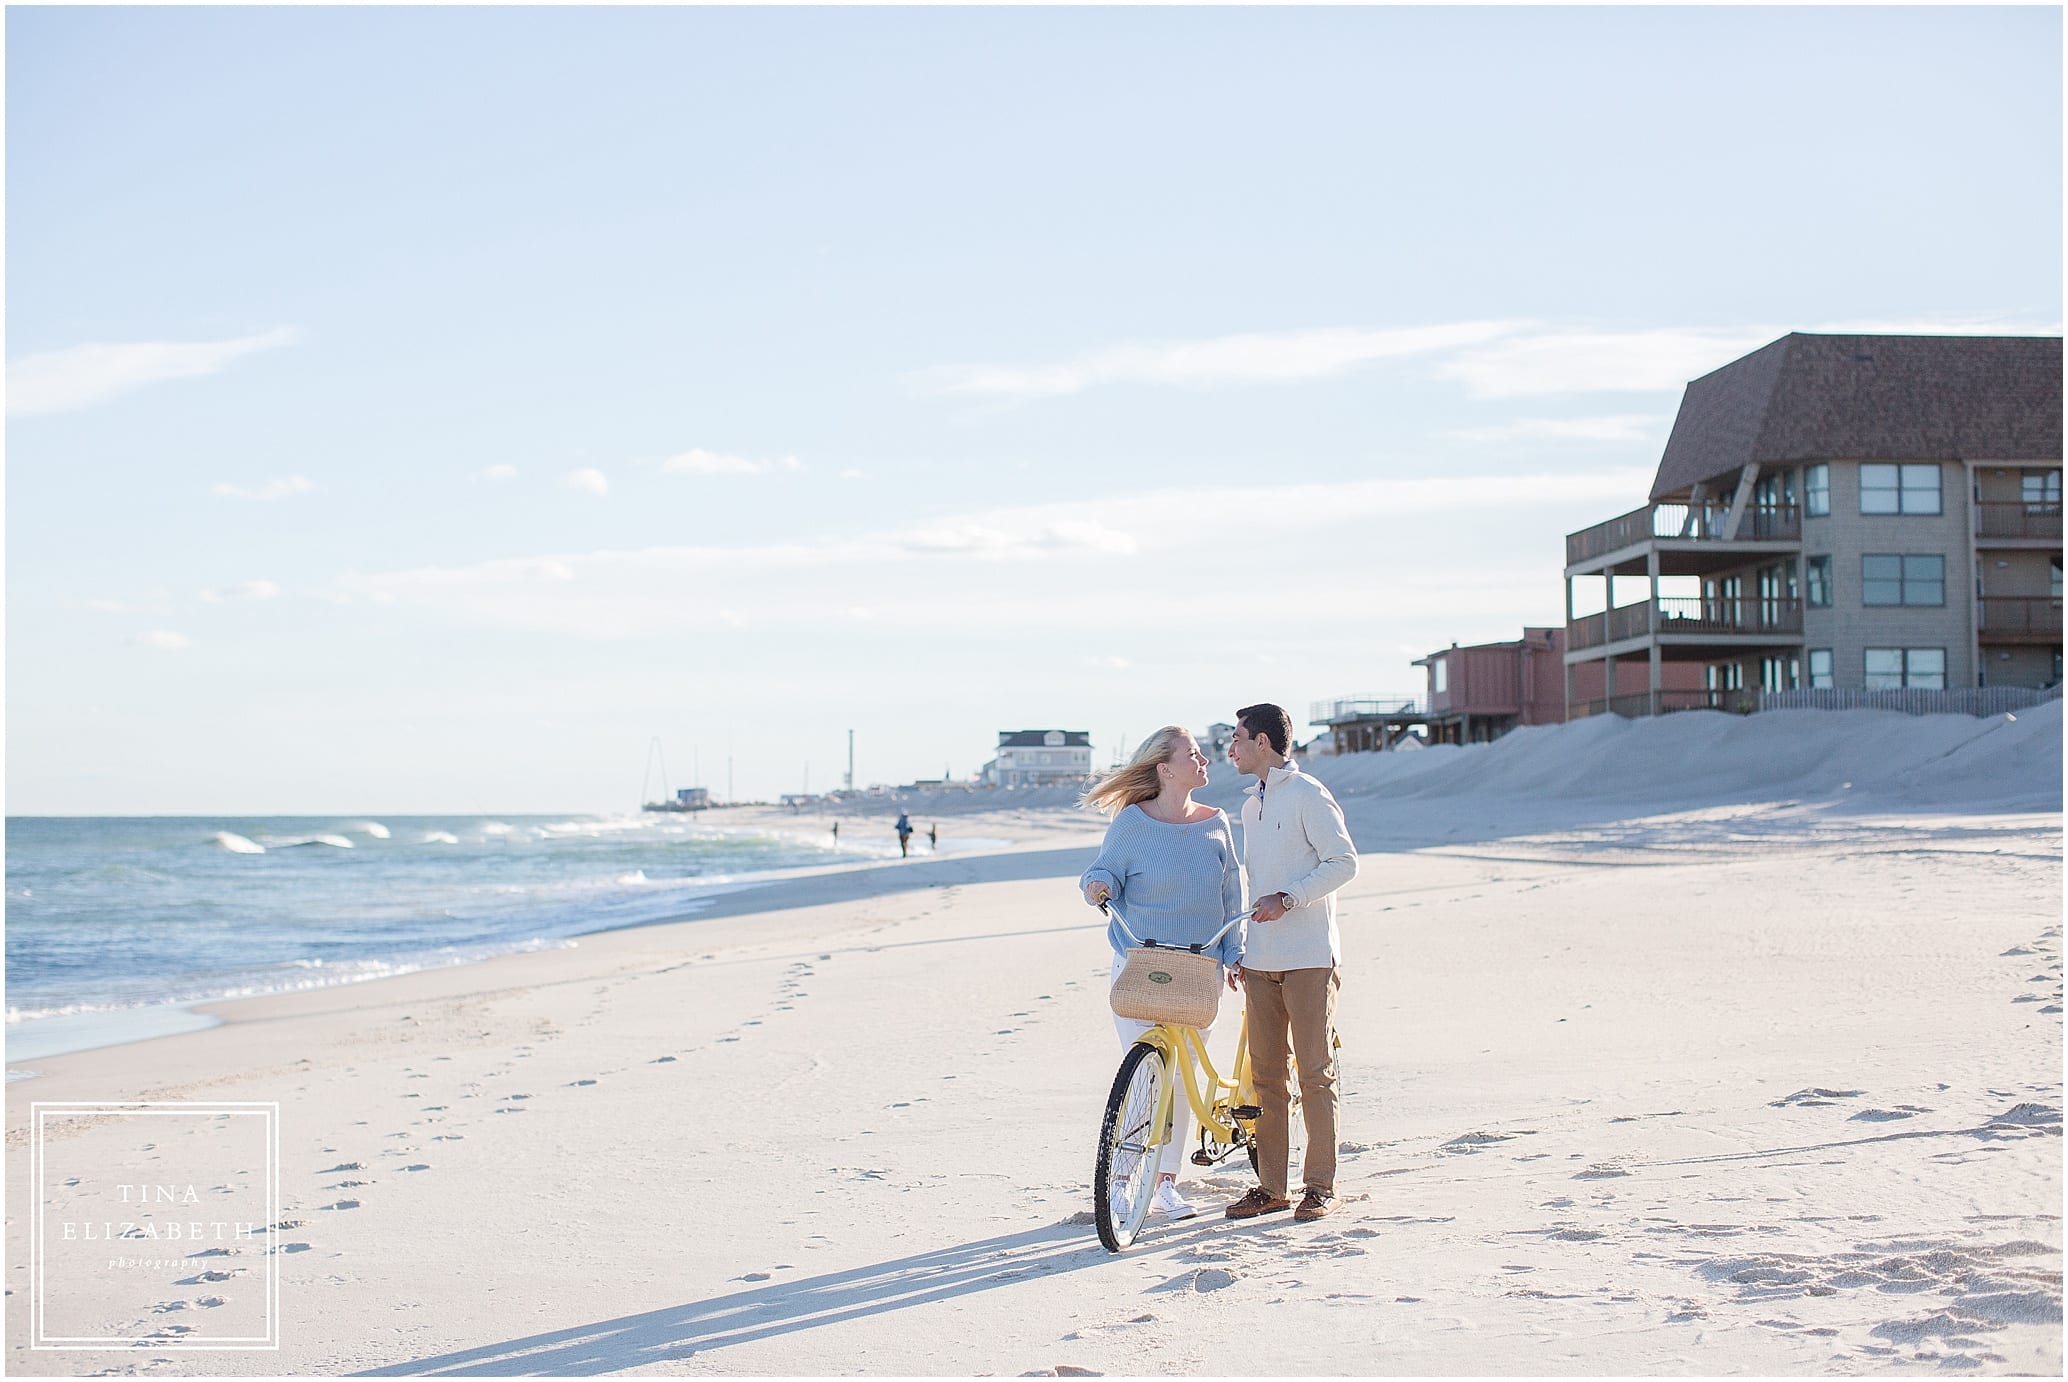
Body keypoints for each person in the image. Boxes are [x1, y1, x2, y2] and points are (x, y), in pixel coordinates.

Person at [1080, 726, 1245, 1223]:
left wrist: (1235, 950)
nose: (1205, 760)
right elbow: (1103, 869)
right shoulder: (1132, 822)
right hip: (1141, 965)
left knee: (1182, 1078)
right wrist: (1098, 887)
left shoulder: (1217, 823)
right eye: (1193, 754)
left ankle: (1166, 1182)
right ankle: (1127, 1177)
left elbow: (1232, 892)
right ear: (1165, 768)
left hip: (1200, 966)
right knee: (1146, 1074)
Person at [1224, 702, 1358, 1224]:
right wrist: (1241, 948)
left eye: (1237, 738)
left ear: (1263, 743)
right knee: (1266, 1078)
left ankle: (1320, 1187)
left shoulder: (1307, 794)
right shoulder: (1250, 805)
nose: (1230, 748)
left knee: (1314, 1074)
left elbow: (1344, 862)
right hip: (1261, 961)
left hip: (1308, 958)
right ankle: (1271, 1188)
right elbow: (1251, 884)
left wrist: (1292, 897)